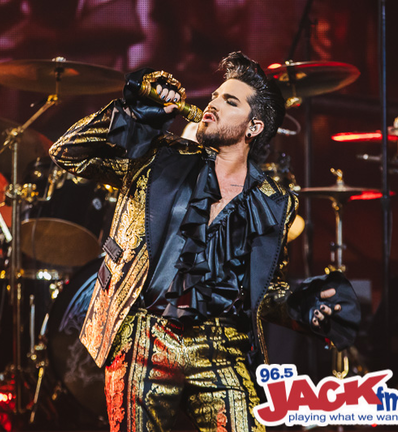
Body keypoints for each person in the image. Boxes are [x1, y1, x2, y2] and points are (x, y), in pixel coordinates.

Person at [49, 51, 360, 432]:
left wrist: (301, 304)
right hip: (146, 336)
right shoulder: (160, 157)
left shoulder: (274, 202)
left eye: (229, 101)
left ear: (254, 126)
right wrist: (133, 111)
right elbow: (67, 152)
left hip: (220, 343)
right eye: (214, 95)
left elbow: (264, 288)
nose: (212, 103)